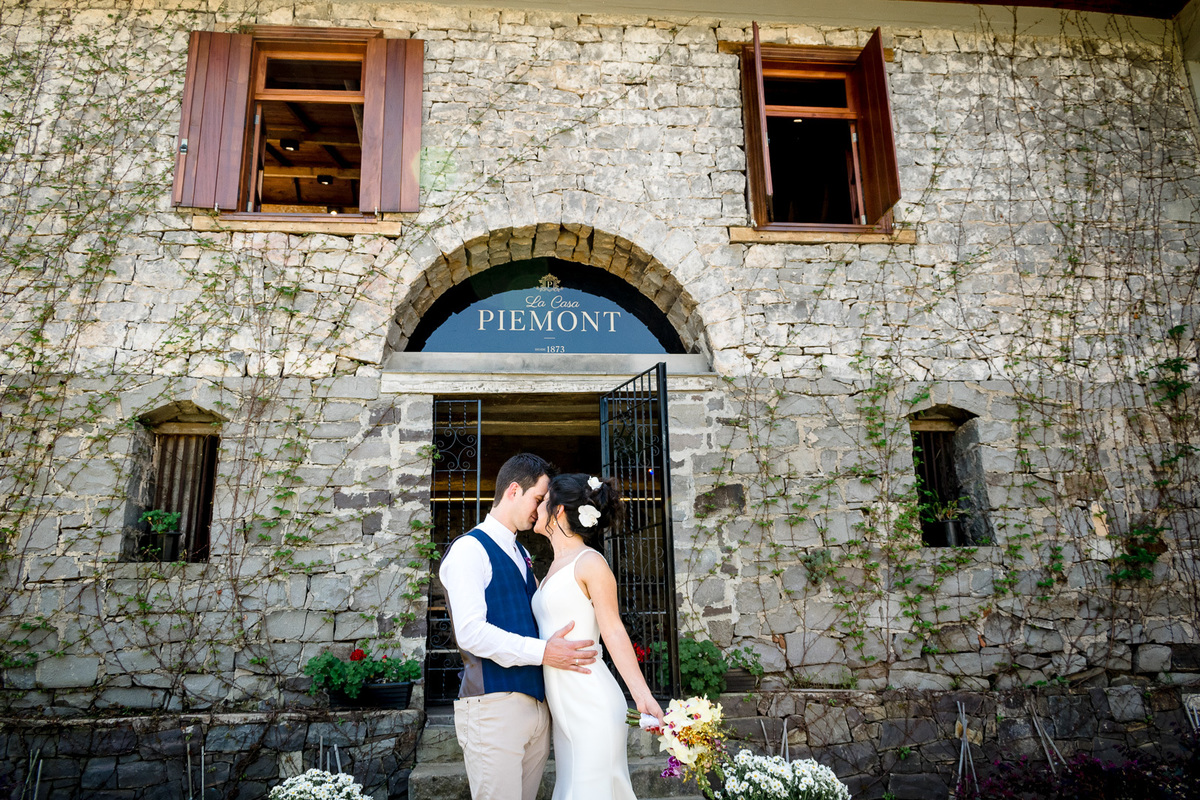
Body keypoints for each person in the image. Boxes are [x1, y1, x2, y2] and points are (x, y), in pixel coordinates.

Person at [439, 453, 599, 800]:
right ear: (513, 490)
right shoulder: (470, 550)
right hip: (494, 709)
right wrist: (545, 652)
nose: (541, 509)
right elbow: (470, 632)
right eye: (539, 499)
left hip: (537, 709)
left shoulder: (520, 553)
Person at [531, 473, 666, 800]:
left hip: (591, 705)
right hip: (565, 713)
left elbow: (613, 629)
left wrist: (642, 695)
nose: (537, 507)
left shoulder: (590, 562)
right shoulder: (551, 567)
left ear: (559, 510)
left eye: (543, 501)